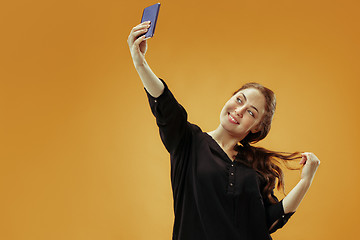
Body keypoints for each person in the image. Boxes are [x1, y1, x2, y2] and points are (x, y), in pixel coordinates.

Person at [127, 21, 320, 240]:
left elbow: (269, 220)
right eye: (239, 99)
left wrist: (305, 181)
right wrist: (140, 63)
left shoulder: (255, 166)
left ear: (257, 127)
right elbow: (165, 104)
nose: (239, 110)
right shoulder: (188, 142)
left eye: (251, 112)